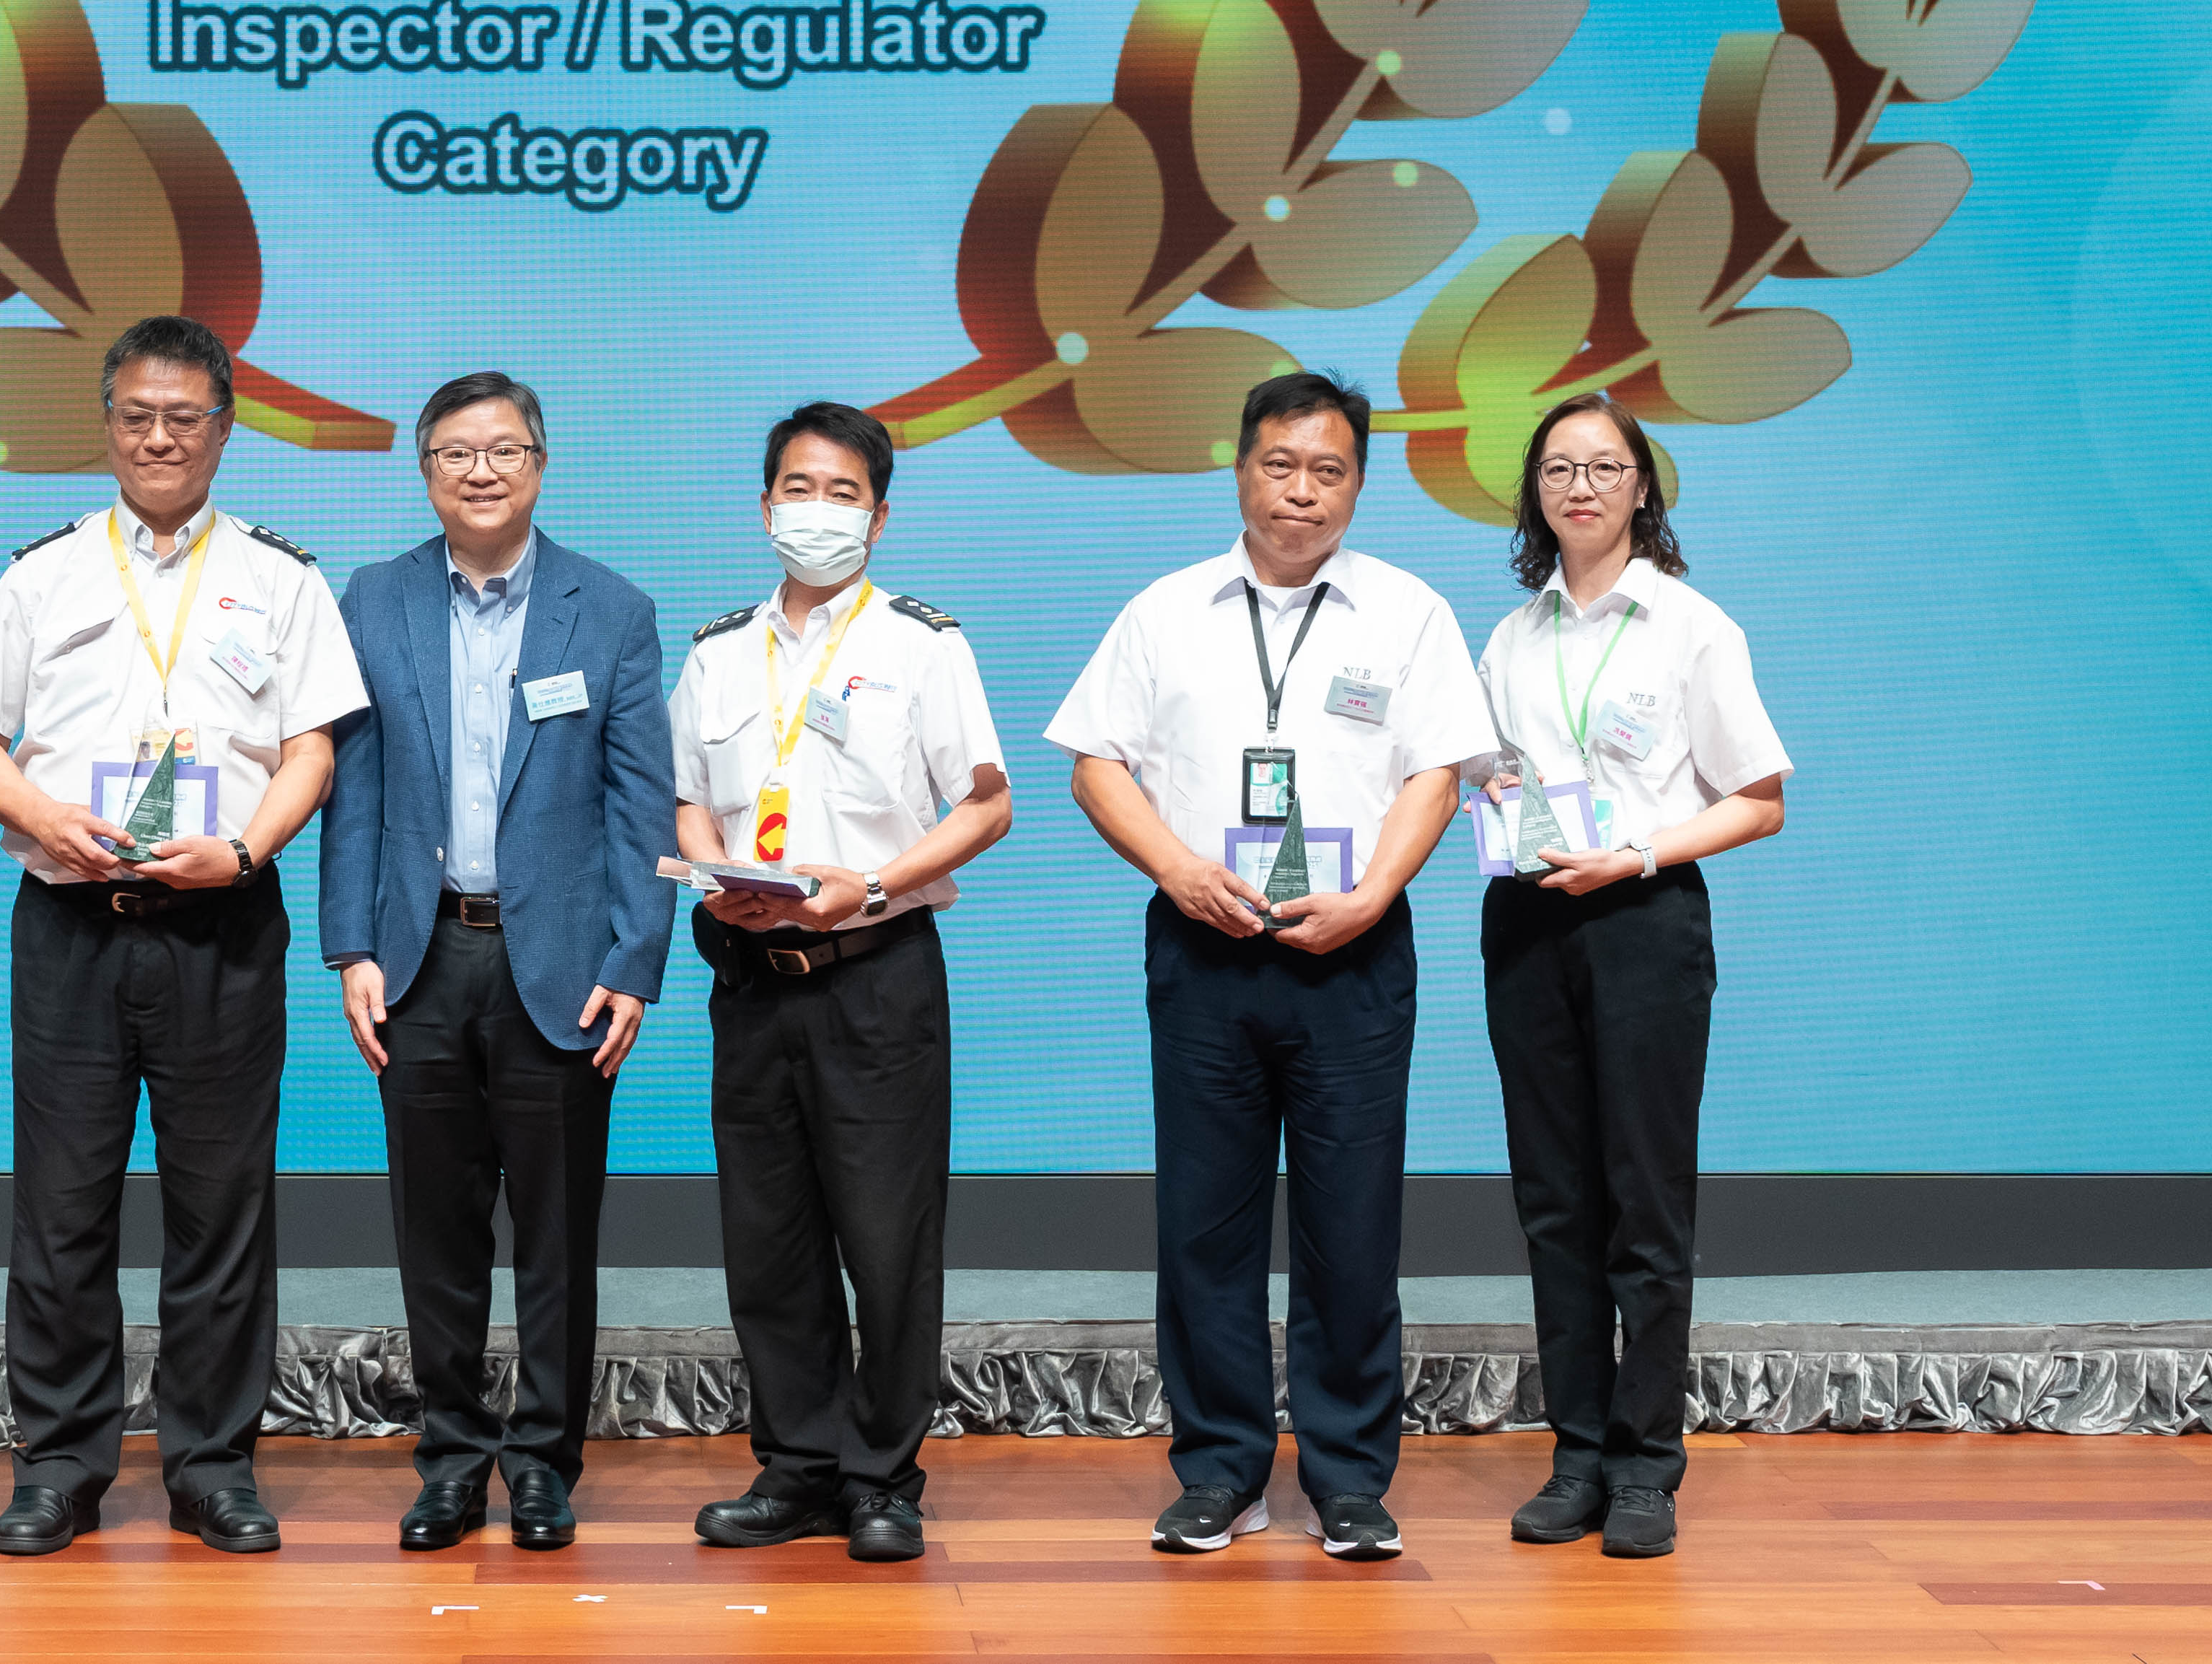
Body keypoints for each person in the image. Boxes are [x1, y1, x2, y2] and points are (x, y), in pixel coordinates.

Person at [1043, 368, 1487, 1566]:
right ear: (1239, 468)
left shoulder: (1409, 612)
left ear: (1358, 481)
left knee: (1354, 1222)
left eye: (1329, 469)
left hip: (1353, 949)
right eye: (1280, 464)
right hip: (1205, 946)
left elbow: (1436, 771)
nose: (1302, 491)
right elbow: (1093, 763)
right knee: (1205, 1223)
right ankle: (1222, 1470)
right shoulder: (1166, 610)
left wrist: (1376, 894)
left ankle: (1349, 1477)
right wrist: (1181, 870)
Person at [0, 312, 370, 1557]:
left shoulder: (282, 580)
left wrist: (244, 850)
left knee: (220, 1208)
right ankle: (61, 1463)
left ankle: (212, 1462)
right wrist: (43, 815)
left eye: (185, 416)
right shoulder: (45, 572)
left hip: (222, 922)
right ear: (109, 425)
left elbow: (313, 748)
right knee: (62, 1206)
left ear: (225, 430)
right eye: (137, 414)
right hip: (72, 921)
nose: (160, 436)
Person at [318, 370, 673, 1555]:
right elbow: (352, 790)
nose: (482, 470)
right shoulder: (372, 599)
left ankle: (544, 1463)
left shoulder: (610, 609)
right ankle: (453, 1458)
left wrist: (635, 958)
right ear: (426, 471)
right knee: (436, 1229)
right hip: (420, 958)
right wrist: (351, 946)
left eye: (505, 449)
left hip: (561, 965)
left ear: (540, 461)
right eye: (456, 452)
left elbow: (639, 805)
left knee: (559, 1232)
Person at [668, 398, 1013, 1564]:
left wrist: (866, 883)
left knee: (888, 1235)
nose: (818, 511)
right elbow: (688, 797)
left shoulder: (921, 644)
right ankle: (797, 1465)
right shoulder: (717, 650)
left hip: (876, 971)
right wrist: (717, 874)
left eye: (844, 493)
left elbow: (987, 800)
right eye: (798, 489)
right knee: (768, 1237)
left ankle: (883, 1475)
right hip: (752, 973)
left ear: (879, 514)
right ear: (764, 505)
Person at [1476, 387, 1790, 1562]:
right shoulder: (1511, 636)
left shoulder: (1692, 626)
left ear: (1642, 486)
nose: (1581, 487)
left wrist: (1642, 850)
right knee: (1556, 1201)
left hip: (1647, 914)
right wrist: (1494, 797)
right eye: (1558, 468)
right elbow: (1493, 775)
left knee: (1645, 1201)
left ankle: (1649, 1463)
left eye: (1604, 467)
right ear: (1536, 492)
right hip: (1529, 919)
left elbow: (1757, 799)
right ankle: (1577, 1453)